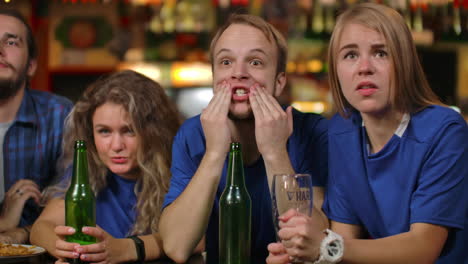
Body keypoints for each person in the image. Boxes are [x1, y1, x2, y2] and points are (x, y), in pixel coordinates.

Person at [267, 3, 468, 264]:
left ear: (404, 62)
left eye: (380, 53)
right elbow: (343, 239)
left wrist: (326, 248)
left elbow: (423, 247)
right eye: (350, 55)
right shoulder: (342, 130)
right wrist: (306, 256)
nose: (364, 67)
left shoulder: (445, 130)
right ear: (336, 71)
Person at [159, 14, 329, 264]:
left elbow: (314, 240)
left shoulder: (313, 132)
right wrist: (215, 152)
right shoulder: (192, 134)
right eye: (226, 61)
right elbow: (176, 246)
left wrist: (275, 152)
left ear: (279, 82)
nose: (238, 73)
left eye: (256, 62)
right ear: (214, 77)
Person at [30, 70, 184, 263]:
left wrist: (126, 249)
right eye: (104, 131)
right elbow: (42, 227)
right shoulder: (86, 170)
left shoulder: (180, 171)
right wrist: (65, 249)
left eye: (129, 131)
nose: (116, 146)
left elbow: (198, 239)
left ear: (154, 132)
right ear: (90, 134)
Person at [0, 9, 73, 244]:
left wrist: (22, 232)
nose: (0, 50)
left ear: (31, 66)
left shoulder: (59, 115)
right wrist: (4, 221)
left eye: (11, 42)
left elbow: (73, 203)